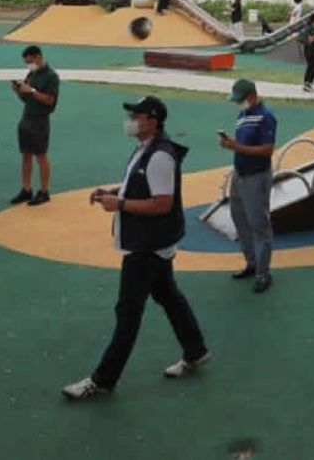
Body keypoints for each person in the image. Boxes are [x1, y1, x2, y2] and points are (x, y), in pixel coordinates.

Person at [62, 96, 210, 401]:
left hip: (147, 246)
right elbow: (142, 188)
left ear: (152, 121)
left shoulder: (159, 156)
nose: (131, 120)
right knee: (167, 294)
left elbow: (162, 203)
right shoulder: (146, 150)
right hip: (154, 243)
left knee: (128, 313)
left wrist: (120, 204)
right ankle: (196, 350)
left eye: (137, 115)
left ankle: (103, 379)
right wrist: (114, 193)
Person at [220, 79, 277, 293]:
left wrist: (235, 146)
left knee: (258, 223)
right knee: (240, 219)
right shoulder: (243, 115)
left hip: (256, 177)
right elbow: (244, 143)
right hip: (239, 175)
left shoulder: (266, 117)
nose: (238, 104)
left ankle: (264, 272)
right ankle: (251, 262)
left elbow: (266, 150)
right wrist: (231, 143)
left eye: (240, 100)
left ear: (252, 97)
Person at [9, 46, 60, 207]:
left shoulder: (51, 76)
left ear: (38, 57)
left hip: (40, 119)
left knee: (40, 155)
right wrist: (18, 91)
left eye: (30, 61)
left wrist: (30, 90)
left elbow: (49, 100)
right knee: (26, 154)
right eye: (26, 62)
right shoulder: (32, 74)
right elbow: (27, 99)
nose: (28, 65)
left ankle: (44, 191)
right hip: (27, 117)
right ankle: (26, 189)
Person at [297, 20, 314, 93]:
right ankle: (307, 84)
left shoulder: (308, 28)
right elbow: (310, 39)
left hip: (309, 49)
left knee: (313, 66)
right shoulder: (311, 28)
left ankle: (308, 83)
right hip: (310, 50)